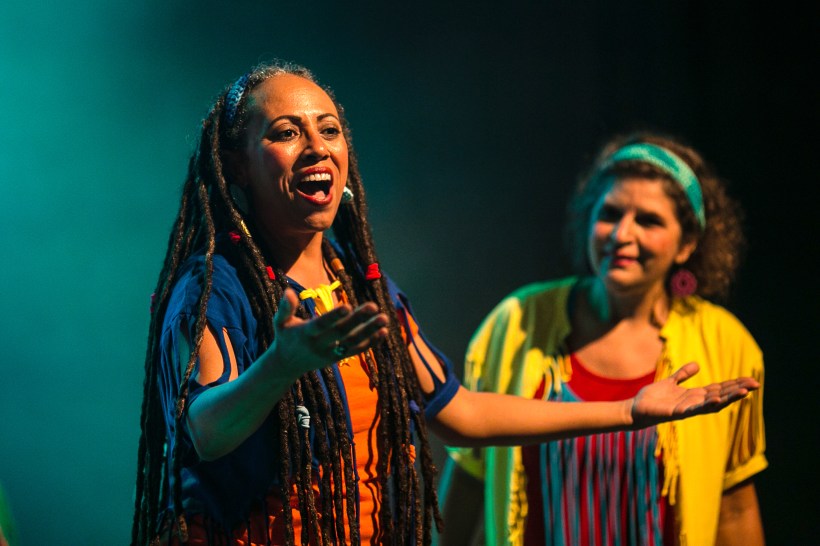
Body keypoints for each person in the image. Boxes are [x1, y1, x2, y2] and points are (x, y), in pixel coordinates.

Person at [130, 63, 759, 546]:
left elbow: (461, 413)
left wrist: (629, 411)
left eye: (330, 129)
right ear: (237, 166)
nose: (317, 146)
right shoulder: (215, 287)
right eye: (287, 132)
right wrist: (280, 366)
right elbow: (205, 432)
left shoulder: (361, 284)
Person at [439, 132, 766, 546]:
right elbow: (469, 482)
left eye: (648, 220)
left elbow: (734, 509)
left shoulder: (725, 342)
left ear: (686, 244)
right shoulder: (519, 321)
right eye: (610, 214)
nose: (622, 234)